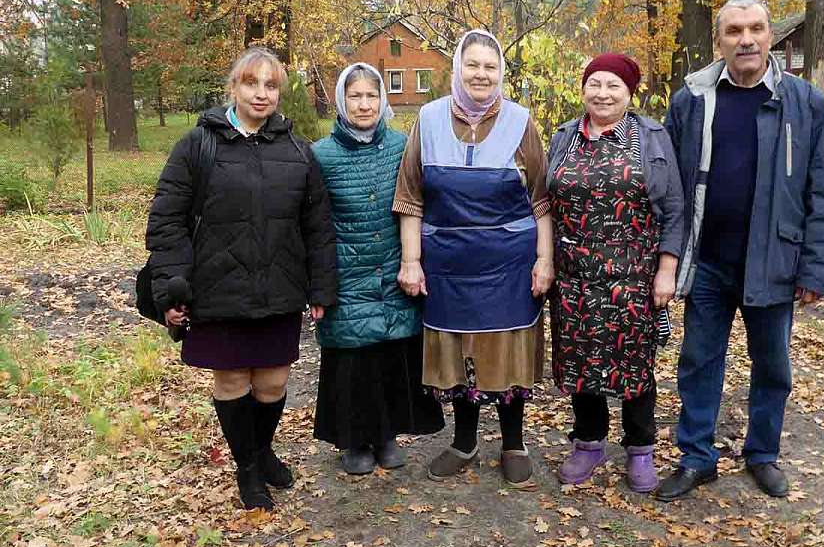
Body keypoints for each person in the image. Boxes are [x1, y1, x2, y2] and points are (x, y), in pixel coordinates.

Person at [654, 0, 824, 502]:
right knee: (698, 361)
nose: (747, 40)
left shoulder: (804, 102)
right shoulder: (690, 100)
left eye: (756, 28)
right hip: (708, 260)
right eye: (734, 31)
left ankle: (762, 454)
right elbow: (668, 184)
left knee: (772, 365)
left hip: (774, 261)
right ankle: (697, 457)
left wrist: (817, 269)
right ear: (720, 40)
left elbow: (823, 191)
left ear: (769, 36)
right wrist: (665, 257)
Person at [146, 47, 337, 510]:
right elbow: (166, 220)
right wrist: (171, 285)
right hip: (217, 289)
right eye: (252, 83)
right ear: (233, 87)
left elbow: (317, 224)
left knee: (272, 383)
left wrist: (321, 287)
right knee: (232, 381)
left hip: (279, 289)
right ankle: (247, 469)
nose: (261, 94)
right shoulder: (198, 145)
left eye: (271, 86)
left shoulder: (297, 150)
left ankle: (263, 449)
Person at [393, 29, 554, 487]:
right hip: (446, 266)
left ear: (500, 72)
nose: (481, 74)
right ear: (457, 69)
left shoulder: (522, 122)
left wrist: (545, 260)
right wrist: (411, 261)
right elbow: (410, 198)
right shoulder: (426, 119)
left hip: (508, 265)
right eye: (473, 65)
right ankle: (465, 442)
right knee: (459, 353)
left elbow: (541, 200)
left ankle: (513, 443)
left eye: (490, 67)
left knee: (505, 352)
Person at [546, 53, 683, 493]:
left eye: (614, 86)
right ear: (583, 88)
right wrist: (545, 260)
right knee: (581, 362)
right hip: (575, 278)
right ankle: (588, 443)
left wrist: (667, 269)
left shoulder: (653, 138)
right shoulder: (564, 136)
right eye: (595, 84)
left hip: (633, 275)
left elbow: (675, 209)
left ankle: (640, 450)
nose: (602, 94)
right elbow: (545, 204)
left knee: (635, 364)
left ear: (630, 93)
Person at [310, 63, 444, 475]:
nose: (364, 104)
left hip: (392, 268)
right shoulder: (321, 154)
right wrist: (318, 284)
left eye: (371, 95)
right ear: (341, 100)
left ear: (382, 99)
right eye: (355, 96)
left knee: (389, 356)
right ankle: (353, 440)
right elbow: (314, 224)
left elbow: (417, 204)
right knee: (353, 361)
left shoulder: (402, 146)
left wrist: (413, 261)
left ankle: (386, 435)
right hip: (346, 275)